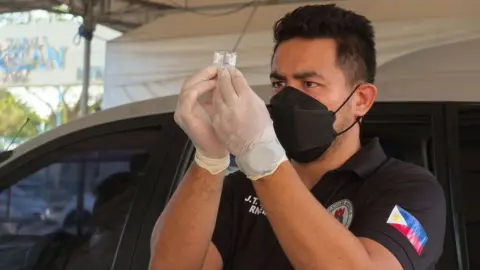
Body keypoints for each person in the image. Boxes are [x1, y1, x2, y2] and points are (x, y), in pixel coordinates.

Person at [150, 4, 446, 270]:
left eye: (309, 83)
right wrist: (209, 159)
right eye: (279, 83)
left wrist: (263, 159)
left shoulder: (408, 190)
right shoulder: (240, 188)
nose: (289, 98)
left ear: (361, 100)